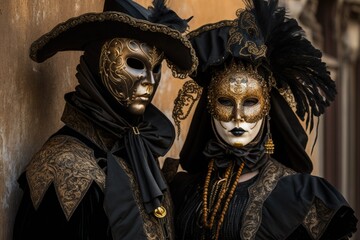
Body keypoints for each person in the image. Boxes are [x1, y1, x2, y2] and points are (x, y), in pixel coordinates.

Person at [169, 0, 358, 239]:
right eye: (225, 102)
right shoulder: (183, 189)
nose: (238, 117)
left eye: (250, 102)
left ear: (267, 108)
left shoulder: (301, 196)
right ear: (209, 108)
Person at [13, 0, 198, 239]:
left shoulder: (136, 153)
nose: (149, 82)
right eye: (135, 64)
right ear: (99, 62)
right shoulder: (64, 167)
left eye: (155, 69)